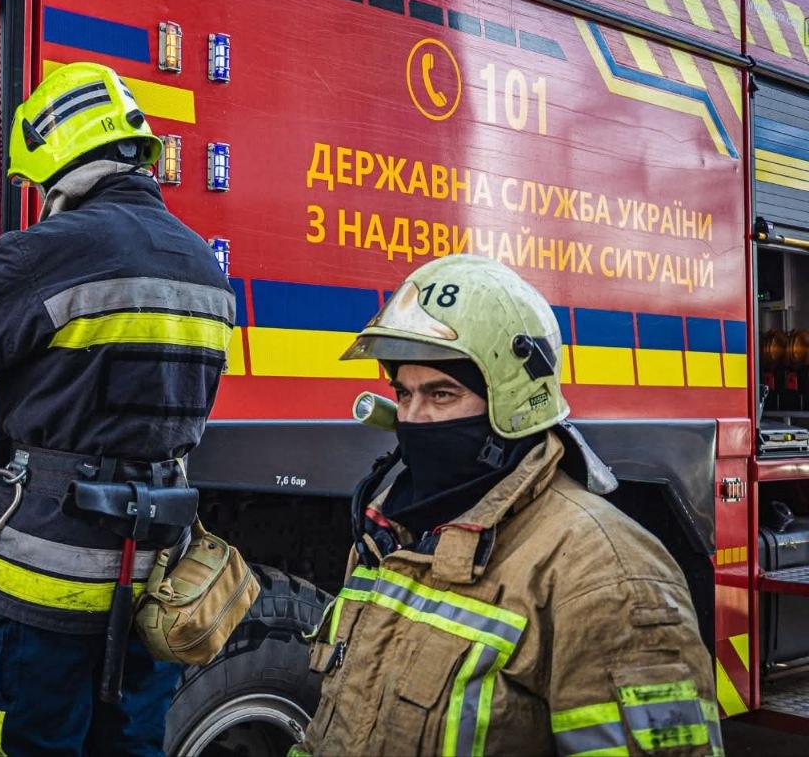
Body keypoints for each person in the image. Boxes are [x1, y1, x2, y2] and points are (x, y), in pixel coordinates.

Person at [0, 61, 235, 757]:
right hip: (154, 581)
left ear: (59, 161)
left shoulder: (49, 250)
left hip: (42, 582)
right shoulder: (206, 264)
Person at [293, 254, 721, 756]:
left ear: (511, 404)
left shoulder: (608, 576)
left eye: (441, 394)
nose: (413, 417)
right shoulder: (392, 537)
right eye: (403, 393)